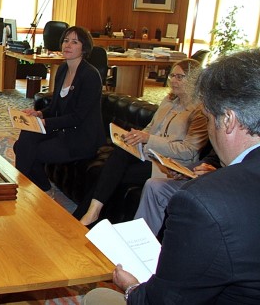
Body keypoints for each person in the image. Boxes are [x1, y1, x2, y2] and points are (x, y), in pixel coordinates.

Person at [83, 48, 260, 304]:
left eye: (210, 119)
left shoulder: (203, 202)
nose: (209, 130)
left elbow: (164, 300)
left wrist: (132, 288)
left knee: (96, 297)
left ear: (229, 120)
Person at [76, 59, 209, 226]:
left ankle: (84, 217)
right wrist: (138, 135)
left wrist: (148, 139)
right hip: (149, 154)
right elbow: (151, 127)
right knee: (119, 154)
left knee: (110, 175)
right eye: (172, 75)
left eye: (180, 77)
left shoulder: (200, 112)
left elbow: (188, 152)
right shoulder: (169, 100)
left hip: (171, 166)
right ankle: (91, 214)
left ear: (194, 80)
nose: (174, 80)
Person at [12, 26, 105, 192]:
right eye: (65, 41)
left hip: (80, 137)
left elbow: (77, 117)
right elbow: (55, 107)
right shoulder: (62, 69)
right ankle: (40, 187)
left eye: (74, 42)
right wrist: (39, 113)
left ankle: (18, 188)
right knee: (24, 139)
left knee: (30, 151)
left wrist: (44, 122)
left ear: (84, 48)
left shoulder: (90, 76)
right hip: (63, 130)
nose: (67, 45)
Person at [134, 148, 220, 236]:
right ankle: (139, 239)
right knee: (154, 186)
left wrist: (219, 175)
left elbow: (190, 150)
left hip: (223, 186)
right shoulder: (220, 142)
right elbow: (212, 160)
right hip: (204, 180)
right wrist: (185, 171)